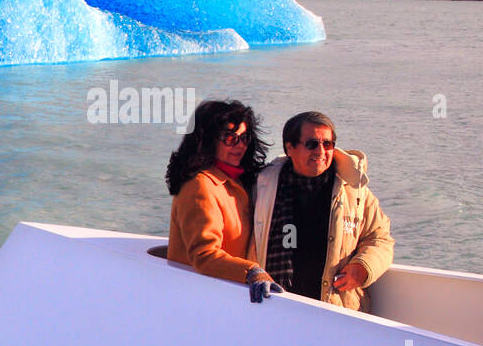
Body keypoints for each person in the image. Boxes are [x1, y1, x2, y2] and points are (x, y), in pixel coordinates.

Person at [250, 111, 394, 310]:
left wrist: (363, 268)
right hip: (274, 305)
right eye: (312, 144)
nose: (321, 151)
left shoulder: (354, 191)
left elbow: (380, 238)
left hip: (336, 310)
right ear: (289, 148)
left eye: (328, 144)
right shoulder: (263, 187)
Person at [166, 100, 278, 302]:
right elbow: (205, 255)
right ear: (208, 140)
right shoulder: (200, 186)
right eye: (230, 138)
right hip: (201, 298)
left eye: (244, 137)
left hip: (224, 294)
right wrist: (251, 271)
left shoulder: (236, 183)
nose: (240, 145)